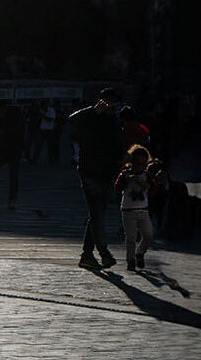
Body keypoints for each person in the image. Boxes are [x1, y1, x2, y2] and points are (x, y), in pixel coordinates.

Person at [69, 87, 125, 271]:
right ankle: (103, 253)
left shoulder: (114, 121)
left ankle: (87, 255)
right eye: (110, 102)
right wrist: (93, 111)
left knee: (96, 215)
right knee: (96, 214)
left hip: (106, 173)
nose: (113, 106)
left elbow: (117, 145)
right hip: (90, 172)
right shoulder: (90, 117)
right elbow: (71, 120)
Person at [115, 145, 165, 272]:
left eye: (142, 164)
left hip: (143, 209)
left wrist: (146, 185)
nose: (138, 167)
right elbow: (117, 188)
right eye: (136, 163)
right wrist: (127, 180)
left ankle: (140, 252)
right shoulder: (125, 174)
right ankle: (130, 261)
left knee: (148, 234)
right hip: (128, 210)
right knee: (130, 237)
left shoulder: (146, 175)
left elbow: (153, 189)